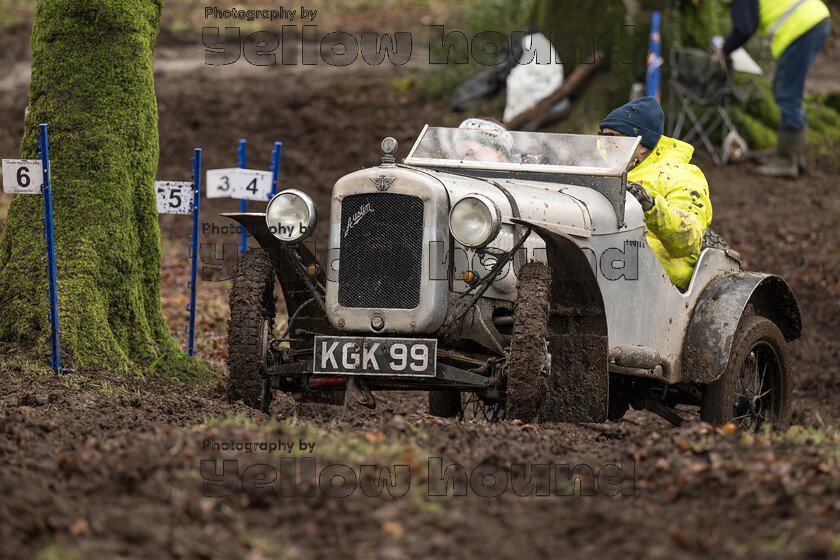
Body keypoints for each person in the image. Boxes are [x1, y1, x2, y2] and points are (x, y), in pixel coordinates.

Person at [599, 96, 713, 291]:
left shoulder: (680, 175)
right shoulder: (598, 168)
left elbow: (690, 239)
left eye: (613, 138)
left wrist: (650, 204)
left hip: (660, 281)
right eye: (602, 136)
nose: (603, 145)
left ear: (642, 146)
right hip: (606, 264)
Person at [715, 0, 830, 178]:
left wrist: (725, 49)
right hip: (815, 18)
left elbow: (744, 28)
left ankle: (785, 161)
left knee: (787, 92)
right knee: (788, 89)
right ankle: (794, 157)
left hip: (801, 26)